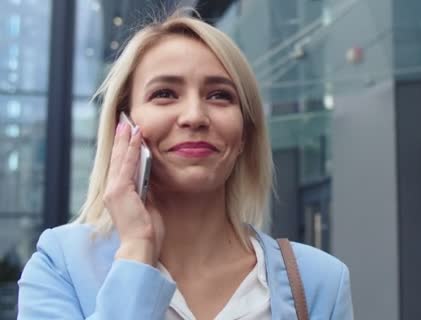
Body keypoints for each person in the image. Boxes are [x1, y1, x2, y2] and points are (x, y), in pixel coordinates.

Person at [17, 10, 353, 320]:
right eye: (164, 93)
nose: (194, 116)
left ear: (245, 135)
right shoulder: (61, 264)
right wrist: (136, 251)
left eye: (220, 95)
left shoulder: (319, 281)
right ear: (124, 124)